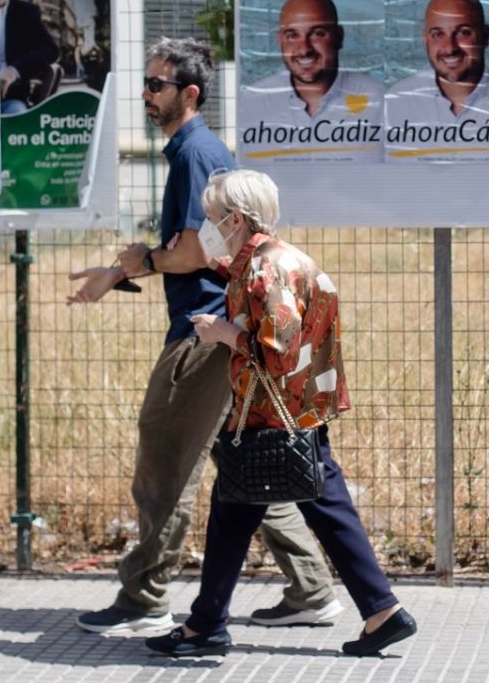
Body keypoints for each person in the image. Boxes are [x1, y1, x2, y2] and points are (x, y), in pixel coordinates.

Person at [67, 38, 341, 636]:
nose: (146, 94)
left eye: (157, 85)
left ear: (189, 94)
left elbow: (193, 249)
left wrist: (137, 261)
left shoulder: (195, 153)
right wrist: (118, 272)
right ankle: (312, 590)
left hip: (203, 333)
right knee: (243, 462)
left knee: (163, 458)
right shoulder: (197, 151)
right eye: (145, 83)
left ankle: (144, 600)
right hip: (223, 330)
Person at [146, 169, 419, 659]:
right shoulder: (283, 259)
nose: (207, 226)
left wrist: (222, 332)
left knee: (237, 514)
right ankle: (381, 610)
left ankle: (205, 626)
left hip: (268, 419)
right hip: (300, 414)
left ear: (233, 217)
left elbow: (279, 347)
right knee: (315, 510)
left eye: (211, 217)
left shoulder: (264, 270)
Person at [384, 0, 489, 162]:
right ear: (425, 39)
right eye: (438, 34)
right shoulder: (396, 101)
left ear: (485, 36)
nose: (450, 48)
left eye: (463, 32)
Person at [239, 0, 384, 161]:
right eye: (292, 35)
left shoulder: (378, 100)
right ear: (280, 40)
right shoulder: (253, 101)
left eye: (317, 33)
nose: (304, 49)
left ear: (339, 37)